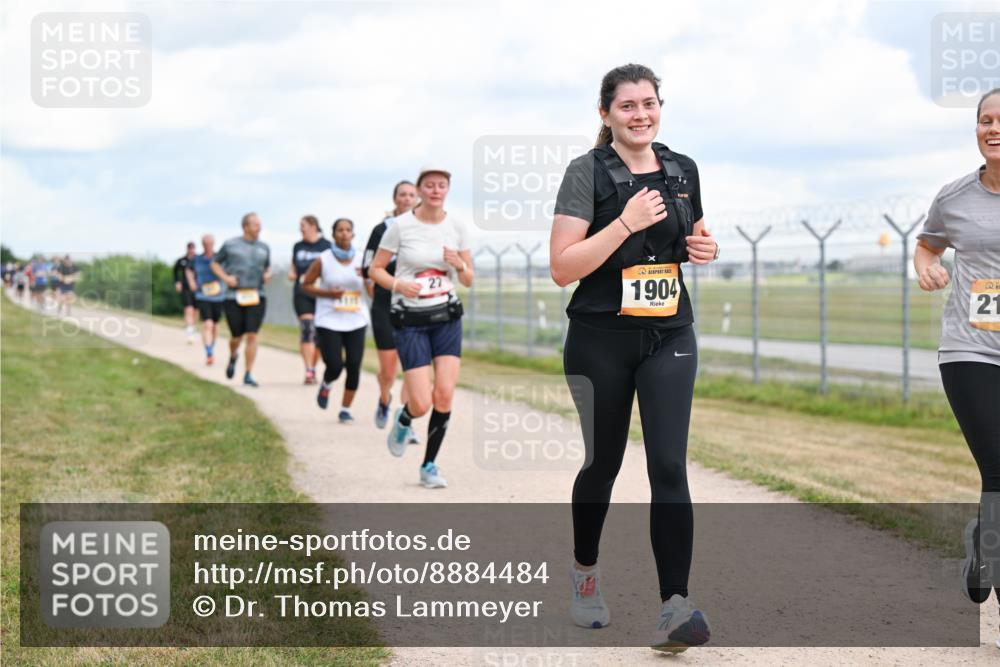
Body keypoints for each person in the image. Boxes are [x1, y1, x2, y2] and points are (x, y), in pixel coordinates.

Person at [549, 64, 720, 652]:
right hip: (600, 338)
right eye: (627, 106)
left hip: (669, 332)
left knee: (669, 465)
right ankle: (585, 571)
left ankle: (675, 604)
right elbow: (562, 267)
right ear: (606, 114)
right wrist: (624, 222)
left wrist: (704, 246)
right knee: (604, 463)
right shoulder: (586, 172)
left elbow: (692, 234)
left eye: (649, 103)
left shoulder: (682, 168)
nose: (640, 114)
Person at [915, 87, 1000, 649]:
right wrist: (927, 267)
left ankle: (983, 545)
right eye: (985, 120)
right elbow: (928, 244)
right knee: (997, 467)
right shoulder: (956, 196)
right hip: (970, 349)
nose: (992, 129)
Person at [368, 167, 473, 489]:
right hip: (410, 321)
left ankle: (429, 465)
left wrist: (459, 265)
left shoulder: (457, 226)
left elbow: (469, 279)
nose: (436, 190)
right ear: (419, 190)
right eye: (430, 185)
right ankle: (405, 417)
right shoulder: (400, 227)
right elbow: (375, 270)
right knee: (422, 402)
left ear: (447, 190)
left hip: (446, 317)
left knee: (444, 394)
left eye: (442, 185)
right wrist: (399, 284)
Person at [362, 181, 419, 430]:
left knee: (414, 369)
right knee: (389, 369)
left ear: (417, 198)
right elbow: (367, 267)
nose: (406, 199)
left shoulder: (426, 228)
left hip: (416, 306)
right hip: (386, 304)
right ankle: (385, 398)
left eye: (411, 195)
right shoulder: (381, 229)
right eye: (402, 195)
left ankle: (406, 420)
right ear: (395, 199)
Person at [301, 218, 368, 423]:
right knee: (335, 365)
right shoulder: (323, 259)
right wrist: (328, 293)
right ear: (333, 234)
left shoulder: (362, 259)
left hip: (356, 318)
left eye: (348, 230)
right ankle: (327, 384)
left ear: (353, 234)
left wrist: (367, 278)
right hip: (329, 318)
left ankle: (345, 409)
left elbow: (372, 290)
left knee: (354, 365)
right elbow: (306, 285)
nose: (344, 233)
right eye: (340, 230)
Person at [211, 212, 272, 387]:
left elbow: (267, 267)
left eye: (260, 224)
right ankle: (233, 355)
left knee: (252, 335)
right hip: (233, 296)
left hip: (256, 295)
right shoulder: (230, 245)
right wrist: (226, 278)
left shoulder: (264, 247)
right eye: (255, 224)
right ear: (246, 227)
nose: (259, 228)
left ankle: (248, 373)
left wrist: (268, 274)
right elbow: (215, 263)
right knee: (236, 336)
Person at [288, 215, 332, 384]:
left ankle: (313, 368)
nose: (301, 229)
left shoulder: (327, 246)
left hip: (321, 293)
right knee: (308, 328)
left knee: (320, 335)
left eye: (303, 226)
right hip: (301, 292)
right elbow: (294, 266)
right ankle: (308, 369)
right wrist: (292, 273)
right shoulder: (298, 246)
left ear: (313, 226)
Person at [187, 235, 225, 365]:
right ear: (202, 244)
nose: (207, 246)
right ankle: (209, 352)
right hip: (203, 295)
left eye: (209, 243)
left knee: (215, 325)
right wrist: (192, 282)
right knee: (207, 324)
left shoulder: (219, 258)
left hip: (218, 296)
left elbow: (228, 270)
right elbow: (188, 270)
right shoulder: (197, 259)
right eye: (205, 243)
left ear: (213, 244)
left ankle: (211, 346)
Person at [174, 242, 198, 343]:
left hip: (197, 288)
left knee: (196, 311)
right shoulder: (182, 260)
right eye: (190, 248)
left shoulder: (198, 259)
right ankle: (190, 331)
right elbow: (175, 271)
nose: (191, 250)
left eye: (193, 248)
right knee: (188, 309)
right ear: (187, 249)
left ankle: (192, 326)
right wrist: (177, 282)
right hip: (186, 288)